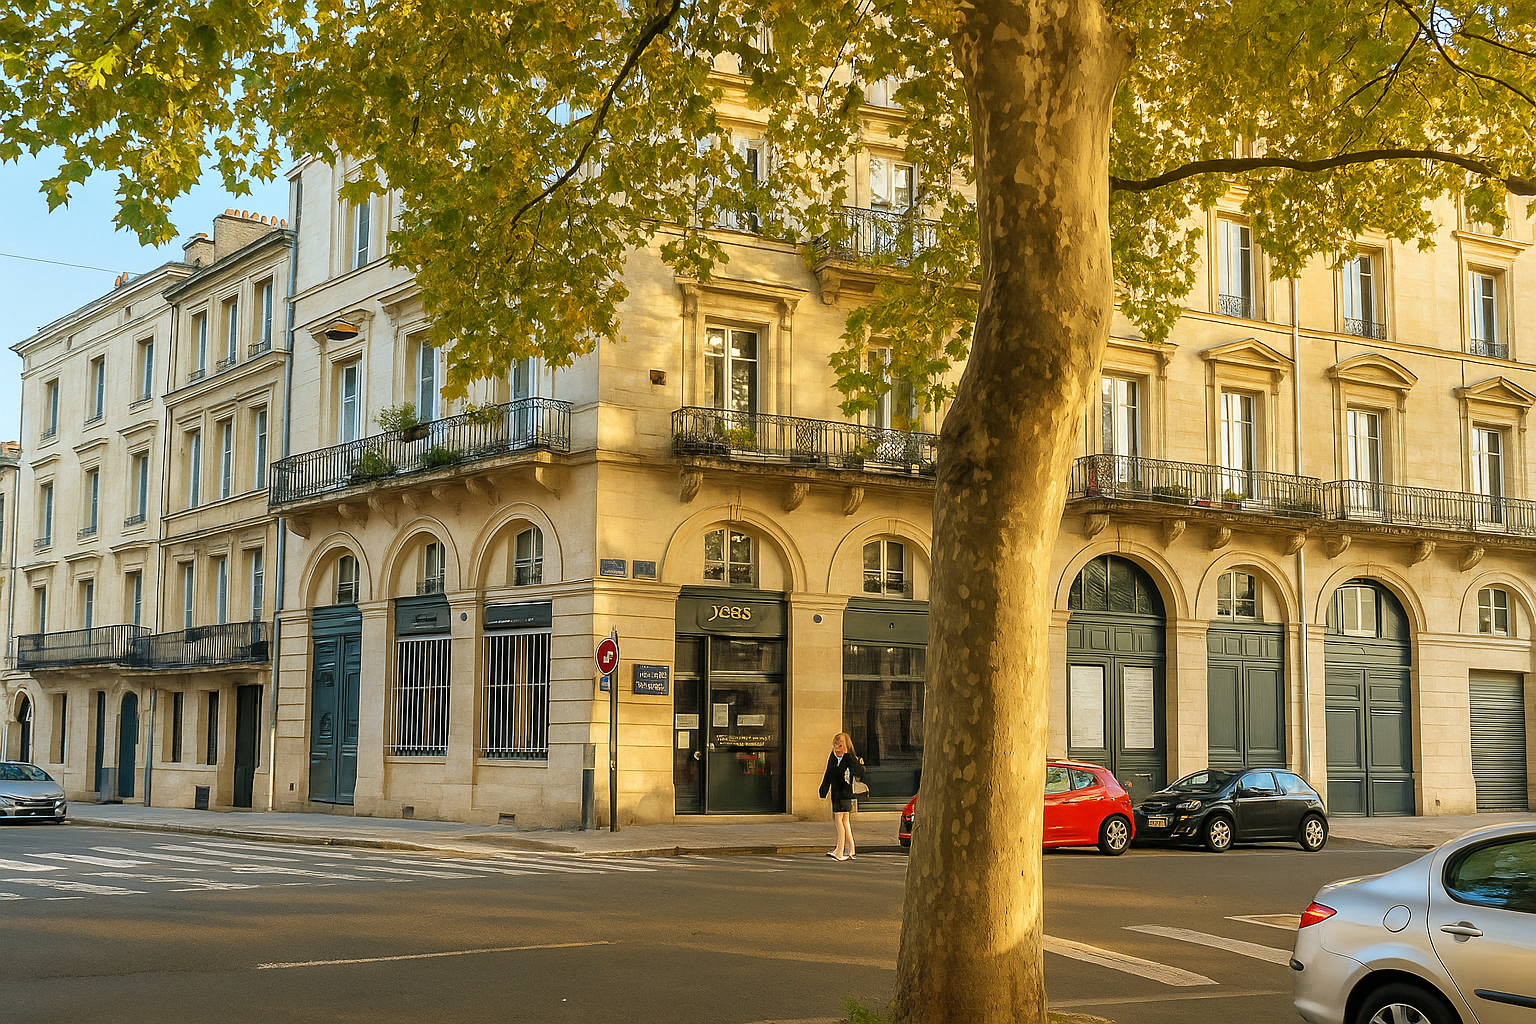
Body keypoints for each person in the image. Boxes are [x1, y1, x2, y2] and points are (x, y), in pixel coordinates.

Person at [818, 732, 865, 861]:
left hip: (845, 793)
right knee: (844, 822)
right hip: (836, 793)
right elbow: (828, 773)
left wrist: (859, 764)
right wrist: (823, 790)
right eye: (835, 744)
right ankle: (851, 849)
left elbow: (859, 773)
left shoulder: (849, 758)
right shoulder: (833, 757)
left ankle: (840, 851)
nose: (837, 747)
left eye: (840, 744)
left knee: (839, 821)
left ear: (847, 745)